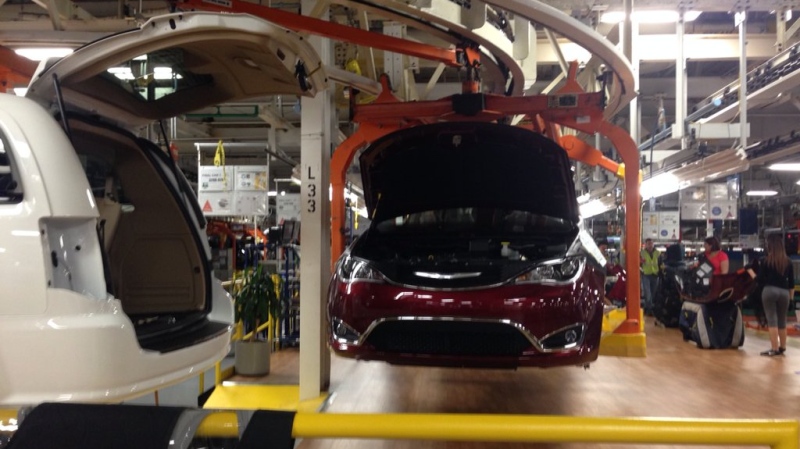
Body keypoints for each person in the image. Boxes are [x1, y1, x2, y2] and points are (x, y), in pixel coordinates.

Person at [758, 233, 795, 357]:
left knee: (772, 320)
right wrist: (792, 299)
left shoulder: (765, 260)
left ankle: (774, 348)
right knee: (782, 320)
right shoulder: (788, 261)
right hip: (784, 293)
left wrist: (751, 273)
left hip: (769, 291)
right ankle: (782, 347)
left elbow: (760, 280)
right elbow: (791, 283)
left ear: (770, 246)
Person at [640, 238, 661, 315]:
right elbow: (638, 263)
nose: (650, 245)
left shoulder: (658, 253)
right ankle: (650, 310)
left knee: (653, 293)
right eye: (648, 244)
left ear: (653, 244)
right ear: (645, 244)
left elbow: (660, 263)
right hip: (646, 275)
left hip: (655, 275)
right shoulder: (641, 253)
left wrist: (660, 272)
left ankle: (648, 308)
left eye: (651, 243)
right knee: (647, 293)